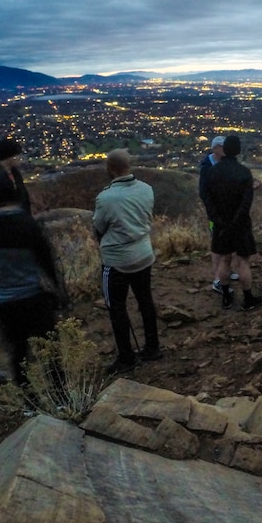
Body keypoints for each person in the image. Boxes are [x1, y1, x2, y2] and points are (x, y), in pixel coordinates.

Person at [0, 170, 64, 386]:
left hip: (3, 301)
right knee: (50, 348)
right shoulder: (24, 223)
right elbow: (46, 260)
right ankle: (61, 395)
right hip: (33, 296)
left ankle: (28, 398)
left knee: (19, 351)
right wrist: (58, 290)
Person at [93, 149, 161, 373]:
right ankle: (152, 347)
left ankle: (126, 357)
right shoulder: (147, 189)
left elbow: (99, 228)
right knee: (145, 301)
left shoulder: (105, 198)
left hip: (116, 261)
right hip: (143, 254)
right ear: (129, 166)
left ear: (110, 168)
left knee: (117, 307)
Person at [200, 135, 262, 311]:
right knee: (243, 261)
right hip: (241, 225)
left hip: (221, 224)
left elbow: (206, 198)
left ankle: (227, 297)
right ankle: (248, 298)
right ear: (238, 150)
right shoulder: (244, 173)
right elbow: (246, 203)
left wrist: (218, 220)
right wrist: (236, 221)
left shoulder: (212, 172)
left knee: (224, 259)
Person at [198, 135, 238, 295]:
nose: (224, 150)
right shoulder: (207, 167)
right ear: (215, 148)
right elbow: (204, 192)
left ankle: (227, 271)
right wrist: (212, 211)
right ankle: (217, 277)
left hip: (229, 211)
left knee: (229, 242)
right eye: (221, 147)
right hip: (216, 212)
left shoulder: (226, 164)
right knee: (217, 244)